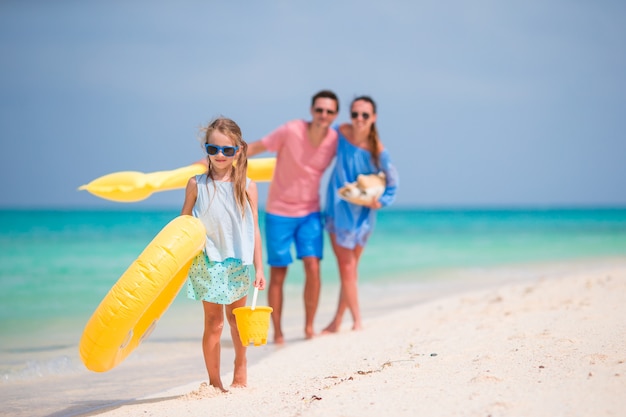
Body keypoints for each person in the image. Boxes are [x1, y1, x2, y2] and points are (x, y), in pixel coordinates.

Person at [246, 90, 340, 344]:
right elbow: (257, 146)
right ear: (311, 110)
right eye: (319, 110)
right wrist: (221, 156)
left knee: (313, 266)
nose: (324, 115)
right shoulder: (290, 130)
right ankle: (277, 332)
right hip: (279, 211)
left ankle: (309, 327)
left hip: (310, 212)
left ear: (335, 115)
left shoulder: (334, 139)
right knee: (278, 272)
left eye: (329, 111)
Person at [181, 117, 266, 392]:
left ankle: (240, 369)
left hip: (237, 263)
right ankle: (215, 381)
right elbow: (183, 226)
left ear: (238, 150)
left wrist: (260, 268)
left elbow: (254, 229)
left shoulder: (248, 186)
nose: (220, 155)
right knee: (214, 323)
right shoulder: (196, 184)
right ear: (206, 149)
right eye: (213, 149)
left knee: (236, 321)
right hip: (206, 262)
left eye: (227, 150)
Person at [322, 95, 398, 333]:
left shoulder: (378, 150)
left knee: (350, 269)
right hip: (337, 208)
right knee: (347, 267)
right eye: (355, 114)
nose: (359, 119)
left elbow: (393, 183)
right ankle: (352, 321)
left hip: (363, 215)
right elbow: (317, 149)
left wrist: (382, 201)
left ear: (373, 118)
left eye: (365, 115)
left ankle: (343, 321)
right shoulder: (340, 134)